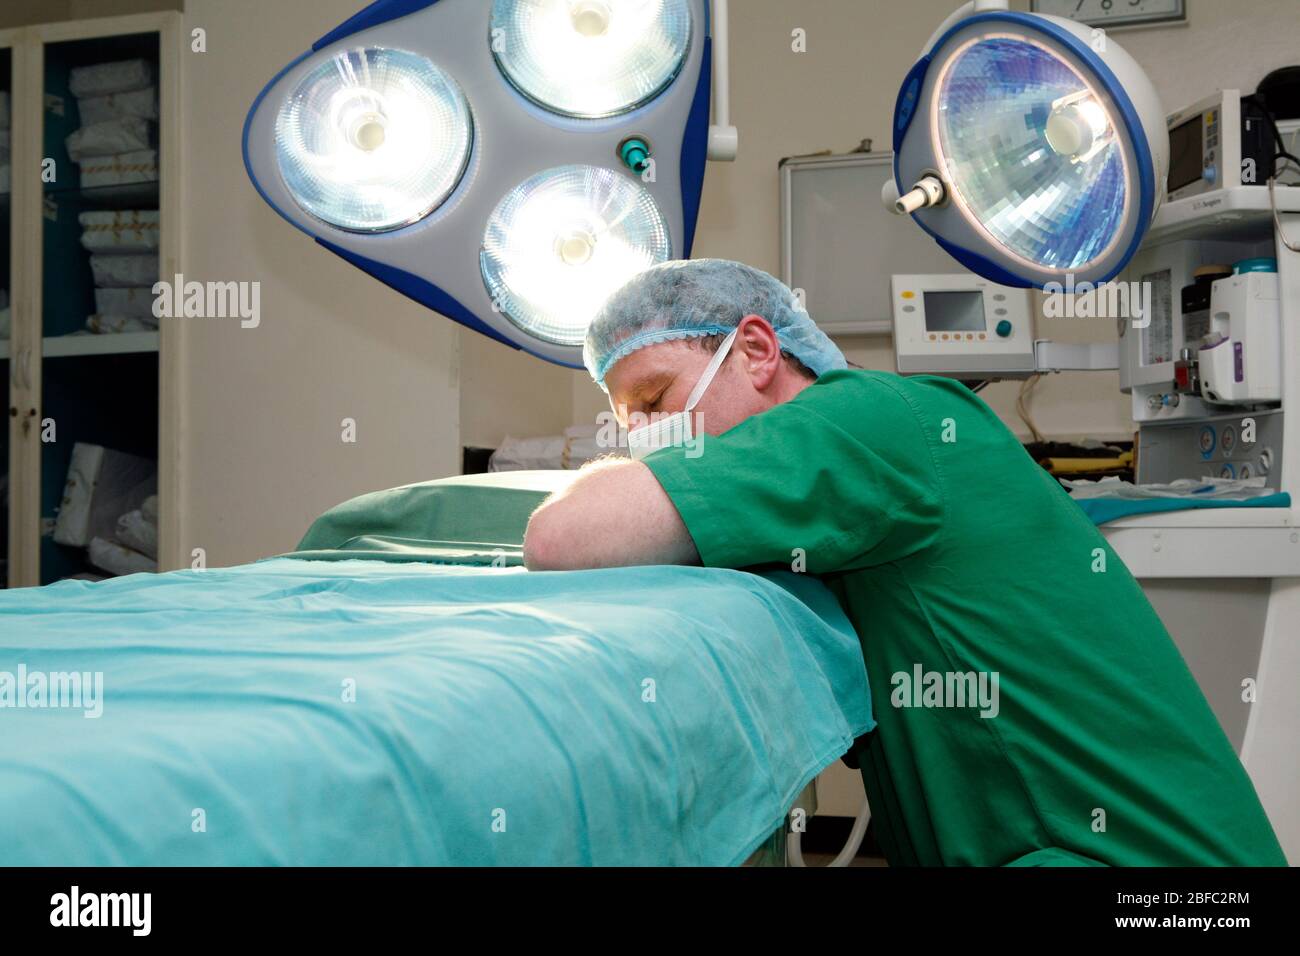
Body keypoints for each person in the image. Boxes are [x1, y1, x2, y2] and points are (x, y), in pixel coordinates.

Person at [523, 258, 1287, 867]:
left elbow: (558, 540)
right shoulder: (826, 487)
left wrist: (602, 487)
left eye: (656, 399)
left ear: (756, 349)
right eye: (628, 424)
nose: (649, 435)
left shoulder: (868, 420)